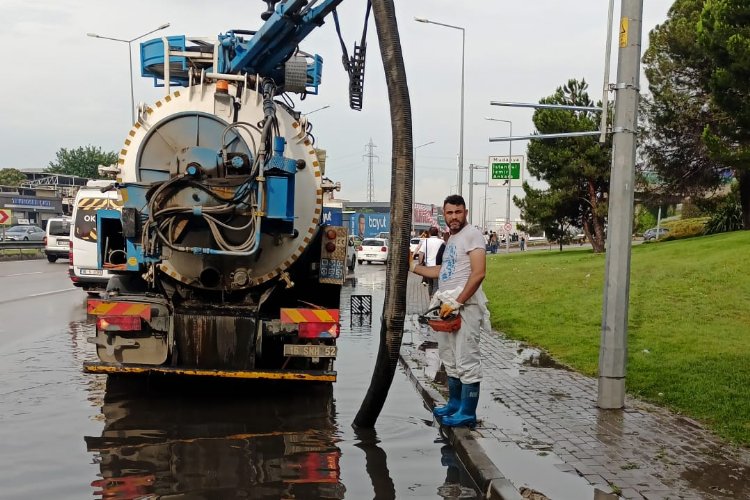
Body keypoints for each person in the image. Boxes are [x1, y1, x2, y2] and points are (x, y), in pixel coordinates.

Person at [412, 194, 488, 428]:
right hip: (447, 306)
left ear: (465, 212)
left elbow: (478, 273)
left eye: (458, 212)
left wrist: (458, 302)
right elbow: (444, 271)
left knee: (466, 359)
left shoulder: (472, 235)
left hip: (465, 306)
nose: (454, 217)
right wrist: (415, 268)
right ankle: (454, 404)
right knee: (450, 358)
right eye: (449, 213)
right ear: (444, 215)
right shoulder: (453, 238)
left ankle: (467, 412)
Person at [417, 226, 444, 297]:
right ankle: (433, 300)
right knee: (436, 285)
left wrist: (420, 264)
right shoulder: (441, 242)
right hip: (438, 267)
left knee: (430, 285)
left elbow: (421, 254)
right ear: (437, 233)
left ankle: (430, 299)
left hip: (428, 267)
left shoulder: (425, 241)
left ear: (429, 233)